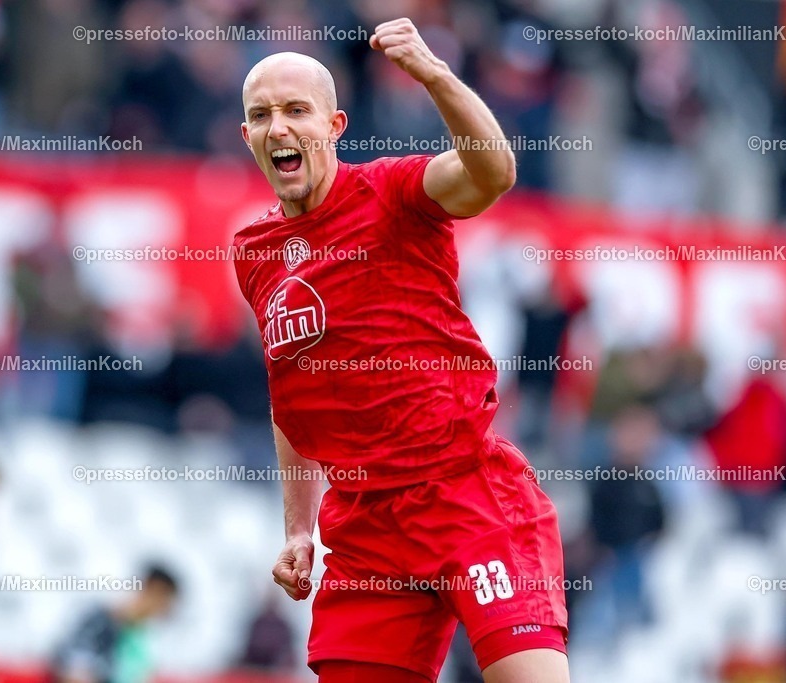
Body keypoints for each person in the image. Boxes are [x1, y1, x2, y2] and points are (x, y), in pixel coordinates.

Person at [233, 18, 569, 683]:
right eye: (262, 115)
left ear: (334, 124)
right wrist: (299, 527)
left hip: (464, 493)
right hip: (365, 530)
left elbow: (492, 171)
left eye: (297, 110)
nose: (279, 127)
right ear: (246, 137)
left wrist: (433, 73)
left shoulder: (393, 193)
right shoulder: (253, 253)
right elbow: (294, 398)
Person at [52, 565, 179, 683]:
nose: (163, 607)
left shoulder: (147, 637)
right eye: (161, 598)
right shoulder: (99, 622)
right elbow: (75, 672)